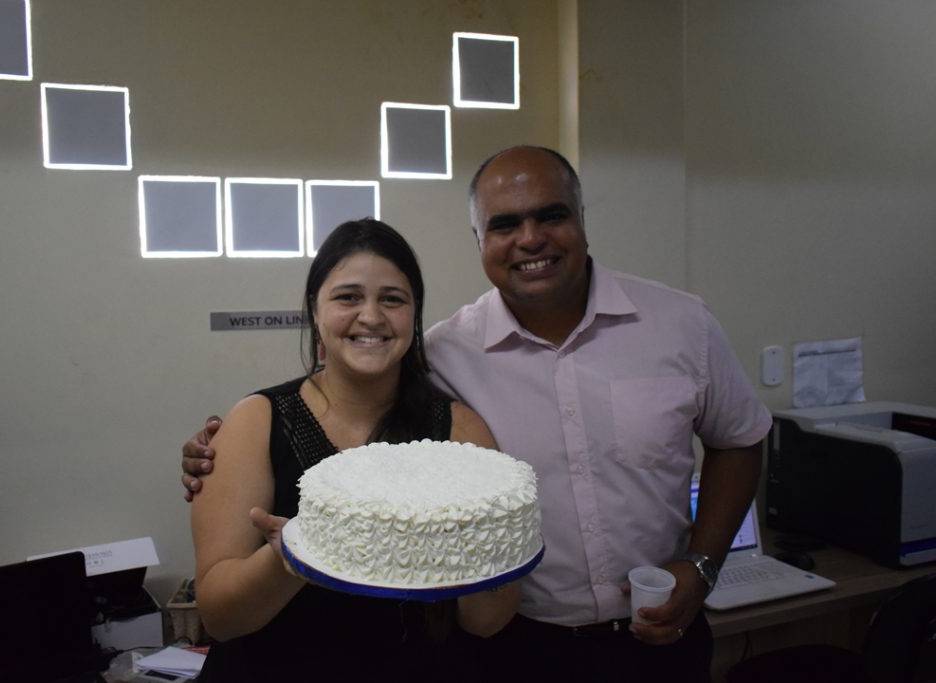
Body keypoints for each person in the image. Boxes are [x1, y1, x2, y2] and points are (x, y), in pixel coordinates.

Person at [183, 147, 772, 681]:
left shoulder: (678, 325)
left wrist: (702, 563)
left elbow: (741, 438)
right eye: (505, 224)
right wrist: (223, 457)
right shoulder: (443, 356)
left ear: (581, 218)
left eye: (551, 216)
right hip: (521, 653)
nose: (531, 239)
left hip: (653, 633)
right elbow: (222, 608)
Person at [190, 218, 519, 682]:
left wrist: (473, 547)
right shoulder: (257, 420)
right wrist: (293, 557)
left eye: (392, 299)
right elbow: (220, 617)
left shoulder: (458, 429)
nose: (371, 316)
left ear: (415, 313)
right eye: (348, 297)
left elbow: (488, 621)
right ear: (314, 310)